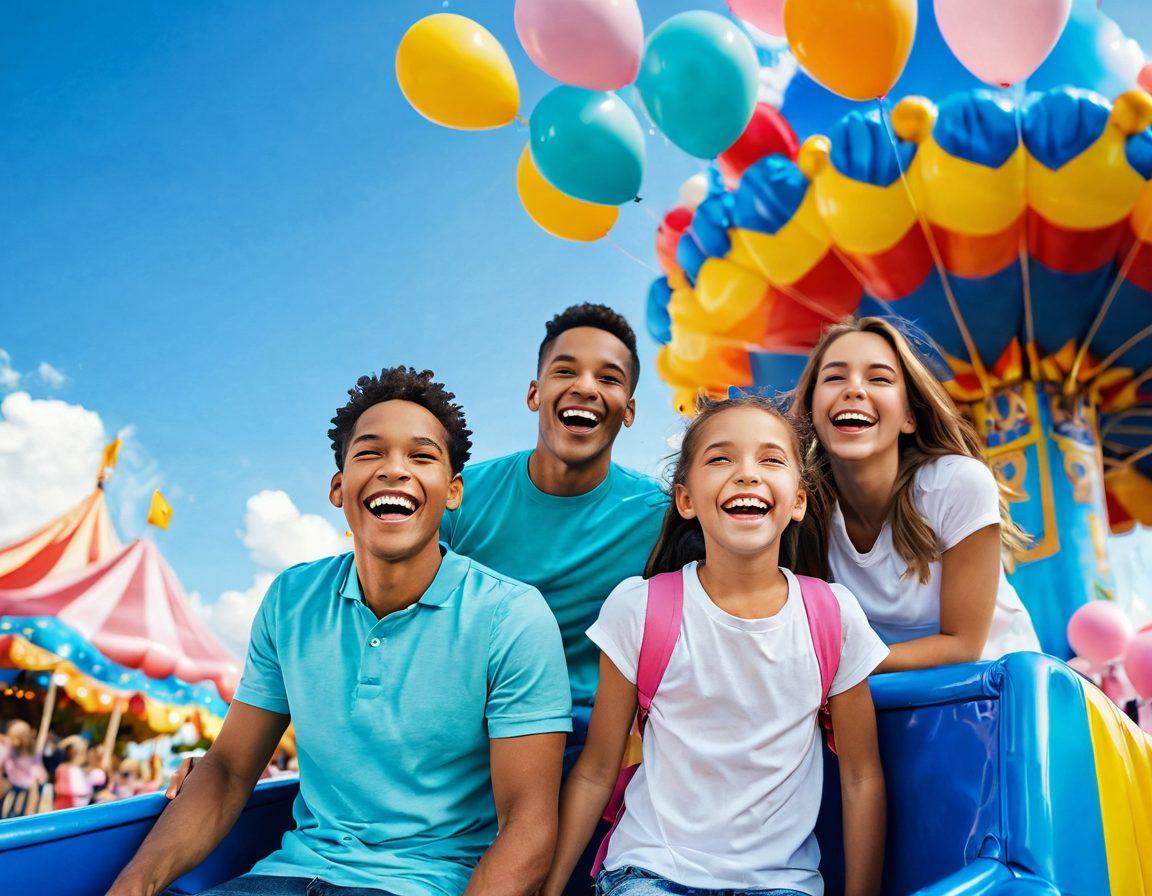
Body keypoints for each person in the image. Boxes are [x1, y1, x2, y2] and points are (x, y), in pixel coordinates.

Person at [107, 367, 572, 896]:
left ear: (453, 492)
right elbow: (230, 769)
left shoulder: (512, 616)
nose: (394, 470)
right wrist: (132, 887)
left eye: (421, 457)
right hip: (283, 876)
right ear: (338, 487)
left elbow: (527, 826)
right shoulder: (291, 598)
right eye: (370, 453)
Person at [544, 395, 889, 896]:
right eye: (721, 458)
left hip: (780, 885)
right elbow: (596, 770)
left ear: (798, 502)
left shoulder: (833, 616)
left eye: (770, 460)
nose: (747, 474)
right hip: (649, 872)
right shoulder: (638, 608)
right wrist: (550, 889)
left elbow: (861, 777)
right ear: (686, 501)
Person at [440, 304, 666, 765]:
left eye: (609, 378)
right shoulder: (458, 498)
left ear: (629, 411)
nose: (585, 387)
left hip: (588, 750)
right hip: (465, 740)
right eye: (565, 371)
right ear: (535, 393)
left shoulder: (659, 516)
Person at [791, 317, 1040, 670]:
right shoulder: (801, 508)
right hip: (885, 693)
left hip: (994, 687)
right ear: (811, 411)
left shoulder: (956, 484)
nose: (854, 389)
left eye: (879, 378)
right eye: (834, 377)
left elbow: (963, 645)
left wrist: (834, 667)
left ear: (909, 416)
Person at [0, 719, 46, 818]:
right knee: (7, 814)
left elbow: (38, 768)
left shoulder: (32, 751)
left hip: (24, 789)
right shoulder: (9, 747)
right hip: (10, 788)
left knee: (18, 815)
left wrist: (40, 776)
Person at [53, 735, 94, 810]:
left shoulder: (81, 770)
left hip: (77, 808)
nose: (85, 755)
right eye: (82, 752)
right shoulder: (64, 768)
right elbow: (62, 789)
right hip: (66, 808)